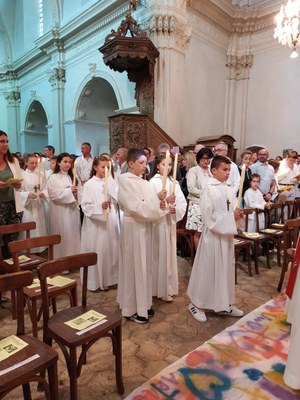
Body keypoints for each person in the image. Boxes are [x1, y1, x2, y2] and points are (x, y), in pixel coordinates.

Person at [187, 155, 244, 323]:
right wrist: (230, 217)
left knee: (225, 269)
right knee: (207, 270)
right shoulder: (208, 189)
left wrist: (237, 215)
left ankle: (224, 304)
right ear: (214, 170)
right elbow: (208, 217)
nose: (228, 173)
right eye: (224, 170)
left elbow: (232, 209)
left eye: (229, 170)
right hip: (212, 237)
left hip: (225, 237)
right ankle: (195, 303)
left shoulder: (227, 189)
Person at [117, 148, 166, 324]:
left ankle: (143, 304)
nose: (145, 166)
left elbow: (149, 203)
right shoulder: (124, 181)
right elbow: (134, 207)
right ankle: (131, 307)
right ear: (131, 164)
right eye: (141, 163)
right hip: (133, 227)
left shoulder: (144, 182)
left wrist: (158, 200)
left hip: (145, 227)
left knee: (144, 266)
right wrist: (157, 210)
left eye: (146, 163)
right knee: (133, 266)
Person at [149, 153, 187, 302]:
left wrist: (174, 208)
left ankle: (167, 286)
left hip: (169, 224)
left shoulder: (174, 183)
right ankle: (156, 287)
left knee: (169, 254)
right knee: (158, 254)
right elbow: (148, 204)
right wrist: (163, 202)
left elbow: (181, 203)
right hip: (157, 225)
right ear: (157, 165)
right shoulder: (152, 183)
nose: (168, 168)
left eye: (170, 164)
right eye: (165, 164)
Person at [80, 156, 119, 291]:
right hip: (96, 225)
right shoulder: (89, 184)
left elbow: (118, 198)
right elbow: (85, 206)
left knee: (111, 249)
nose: (105, 170)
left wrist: (113, 194)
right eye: (103, 167)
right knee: (98, 249)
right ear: (95, 167)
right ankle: (95, 281)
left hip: (110, 222)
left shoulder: (111, 181)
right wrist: (99, 206)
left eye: (108, 167)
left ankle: (111, 278)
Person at [47, 152, 80, 259]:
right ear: (59, 163)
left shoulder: (73, 177)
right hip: (59, 211)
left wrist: (77, 194)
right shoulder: (53, 177)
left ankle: (74, 260)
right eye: (65, 162)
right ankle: (61, 262)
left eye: (70, 162)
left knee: (72, 235)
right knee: (62, 234)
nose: (68, 164)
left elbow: (82, 192)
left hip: (72, 211)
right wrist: (68, 192)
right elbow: (53, 195)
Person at [0, 130, 24, 258]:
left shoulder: (13, 160)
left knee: (12, 240)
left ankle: (10, 269)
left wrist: (18, 184)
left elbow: (21, 183)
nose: (5, 144)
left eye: (7, 141)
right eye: (2, 141)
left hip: (14, 205)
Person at [186, 147, 213, 249]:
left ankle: (206, 254)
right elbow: (191, 188)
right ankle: (199, 257)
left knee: (208, 231)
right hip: (197, 204)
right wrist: (205, 193)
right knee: (199, 232)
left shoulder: (211, 171)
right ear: (199, 159)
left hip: (209, 204)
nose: (206, 161)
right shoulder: (194, 170)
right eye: (203, 158)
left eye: (208, 158)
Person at [20, 154, 47, 250]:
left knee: (39, 227)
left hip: (38, 205)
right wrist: (27, 194)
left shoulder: (40, 175)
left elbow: (45, 188)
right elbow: (18, 192)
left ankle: (39, 249)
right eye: (32, 163)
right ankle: (27, 250)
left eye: (36, 163)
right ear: (26, 163)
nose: (34, 165)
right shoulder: (21, 175)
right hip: (28, 206)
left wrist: (43, 193)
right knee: (29, 228)